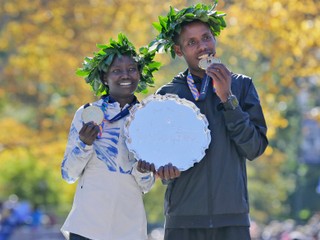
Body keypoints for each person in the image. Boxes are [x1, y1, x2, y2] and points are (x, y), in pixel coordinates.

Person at [149, 2, 269, 240]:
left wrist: (228, 99)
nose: (202, 47)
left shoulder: (241, 86)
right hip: (182, 220)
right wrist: (163, 170)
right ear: (179, 50)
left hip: (231, 219)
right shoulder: (167, 95)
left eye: (206, 37)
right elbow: (158, 156)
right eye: (191, 42)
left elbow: (254, 148)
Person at [60, 33, 160, 240]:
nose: (125, 75)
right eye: (116, 71)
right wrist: (84, 144)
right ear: (105, 78)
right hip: (87, 225)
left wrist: (142, 170)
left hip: (129, 228)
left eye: (132, 69)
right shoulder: (86, 114)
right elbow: (68, 174)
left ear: (139, 75)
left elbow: (146, 185)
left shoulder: (148, 118)